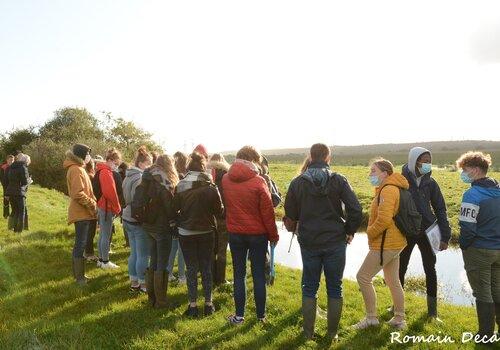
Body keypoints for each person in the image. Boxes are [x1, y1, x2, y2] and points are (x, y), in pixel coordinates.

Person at [285, 143, 363, 340]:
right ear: (328, 157)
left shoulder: (297, 182)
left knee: (309, 286)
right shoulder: (339, 180)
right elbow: (356, 209)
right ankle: (332, 334)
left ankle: (307, 333)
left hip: (309, 241)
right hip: (335, 240)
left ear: (310, 157)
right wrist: (349, 231)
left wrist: (295, 226)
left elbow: (290, 216)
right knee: (335, 286)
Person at [222, 146, 279, 325]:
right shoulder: (259, 182)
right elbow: (268, 213)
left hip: (235, 233)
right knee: (258, 276)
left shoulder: (225, 179)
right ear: (253, 160)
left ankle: (239, 316)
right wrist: (274, 236)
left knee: (239, 275)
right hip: (257, 235)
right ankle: (261, 317)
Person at [353, 158, 408, 330]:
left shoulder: (388, 190)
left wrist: (369, 232)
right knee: (393, 280)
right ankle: (399, 319)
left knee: (363, 277)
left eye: (373, 171)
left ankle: (371, 318)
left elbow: (384, 219)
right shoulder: (389, 187)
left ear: (385, 173)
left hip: (386, 243)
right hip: (394, 241)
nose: (370, 174)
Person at [398, 147, 451, 321]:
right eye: (424, 161)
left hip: (427, 232)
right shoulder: (400, 181)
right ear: (414, 161)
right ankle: (397, 308)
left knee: (430, 269)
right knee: (400, 268)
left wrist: (445, 235)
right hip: (407, 232)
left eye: (429, 161)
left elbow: (440, 208)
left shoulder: (431, 182)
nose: (428, 164)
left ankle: (432, 313)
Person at [173, 152, 224, 317]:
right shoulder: (210, 187)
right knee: (206, 267)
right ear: (203, 167)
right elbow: (220, 211)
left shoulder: (180, 185)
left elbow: (174, 209)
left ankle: (193, 305)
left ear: (189, 167)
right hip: (206, 231)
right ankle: (208, 304)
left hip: (186, 232)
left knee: (191, 268)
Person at [457, 151, 500, 341]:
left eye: (465, 170)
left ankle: (485, 335)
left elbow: (467, 227)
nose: (463, 174)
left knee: (482, 291)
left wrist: (464, 246)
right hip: (498, 249)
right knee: (498, 289)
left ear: (475, 170)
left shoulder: (472, 194)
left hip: (479, 249)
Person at [139, 154, 178, 309]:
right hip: (162, 226)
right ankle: (161, 302)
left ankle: (152, 298)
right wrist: (174, 219)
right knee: (162, 263)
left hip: (148, 225)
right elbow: (169, 206)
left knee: (153, 260)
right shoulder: (163, 181)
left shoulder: (147, 176)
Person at [63, 144, 97, 285]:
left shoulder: (78, 168)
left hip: (83, 212)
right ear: (82, 155)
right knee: (80, 244)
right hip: (81, 212)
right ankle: (80, 278)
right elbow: (77, 193)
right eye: (88, 154)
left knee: (81, 244)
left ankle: (80, 276)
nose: (89, 156)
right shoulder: (76, 169)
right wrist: (92, 203)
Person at [122, 147, 152, 293]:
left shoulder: (128, 175)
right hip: (136, 219)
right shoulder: (140, 178)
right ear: (141, 163)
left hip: (126, 216)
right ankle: (143, 283)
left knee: (134, 252)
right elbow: (138, 201)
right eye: (149, 163)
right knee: (143, 254)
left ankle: (134, 281)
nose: (150, 167)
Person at [95, 148, 122, 269]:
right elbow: (110, 192)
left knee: (102, 235)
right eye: (115, 163)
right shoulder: (106, 172)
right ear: (110, 160)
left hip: (102, 205)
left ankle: (101, 260)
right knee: (105, 235)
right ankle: (105, 261)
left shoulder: (101, 170)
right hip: (107, 206)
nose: (116, 166)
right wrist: (117, 207)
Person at [208, 153, 231, 286]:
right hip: (223, 216)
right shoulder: (227, 176)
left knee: (211, 249)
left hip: (210, 217)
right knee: (222, 249)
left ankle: (210, 277)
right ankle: (220, 279)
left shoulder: (206, 174)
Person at [166, 151, 188, 284]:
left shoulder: (168, 177)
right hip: (180, 217)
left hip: (171, 217)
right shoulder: (181, 178)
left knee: (173, 247)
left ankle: (168, 273)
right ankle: (181, 276)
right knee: (181, 248)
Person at [5, 153, 31, 232]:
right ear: (26, 161)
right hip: (19, 192)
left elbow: (8, 180)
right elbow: (24, 182)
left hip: (10, 192)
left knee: (14, 210)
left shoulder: (11, 167)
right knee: (21, 211)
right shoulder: (23, 167)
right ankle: (19, 231)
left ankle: (12, 228)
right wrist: (29, 181)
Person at [83, 158, 99, 262]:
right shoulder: (91, 177)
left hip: (84, 206)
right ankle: (89, 253)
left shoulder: (84, 175)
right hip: (91, 206)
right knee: (90, 231)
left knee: (86, 231)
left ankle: (86, 252)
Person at [1, 155, 15, 219]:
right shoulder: (3, 167)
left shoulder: (15, 168)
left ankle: (13, 214)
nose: (11, 161)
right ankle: (6, 214)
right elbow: (1, 177)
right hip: (5, 186)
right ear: (7, 160)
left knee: (13, 200)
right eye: (10, 160)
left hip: (13, 187)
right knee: (6, 200)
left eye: (12, 160)